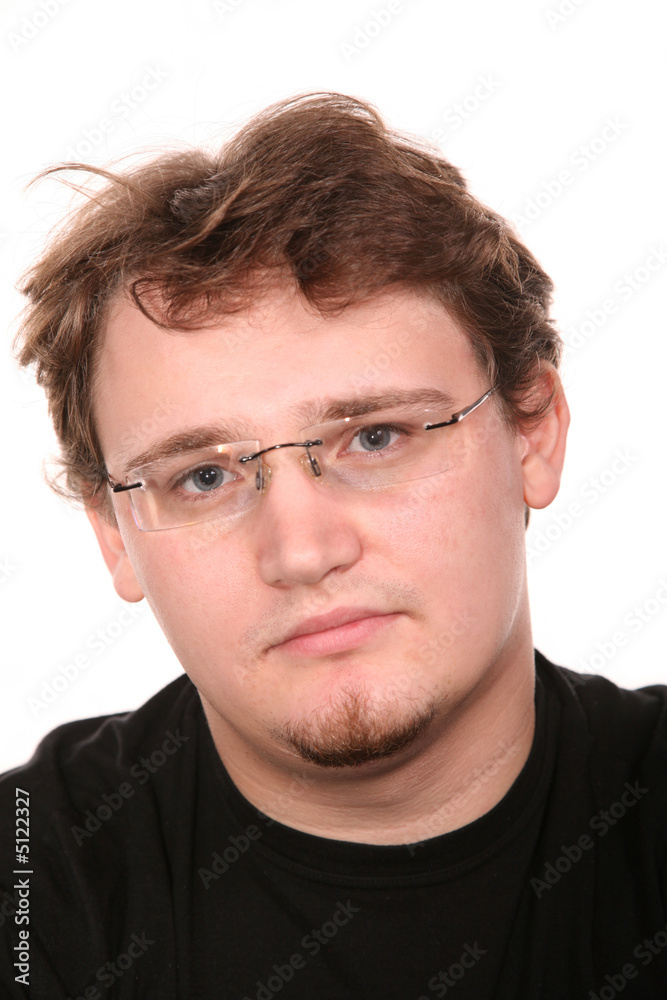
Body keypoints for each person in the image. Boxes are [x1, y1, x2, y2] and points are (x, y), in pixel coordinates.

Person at [1, 92, 665, 1000]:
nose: (302, 550)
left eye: (376, 437)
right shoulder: (29, 881)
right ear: (115, 536)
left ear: (532, 434)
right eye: (202, 476)